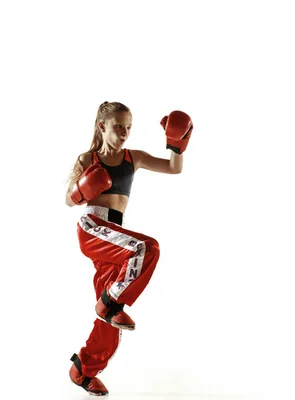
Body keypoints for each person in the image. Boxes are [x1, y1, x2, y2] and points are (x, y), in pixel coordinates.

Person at [64, 101, 193, 396]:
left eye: (129, 127)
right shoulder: (88, 158)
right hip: (93, 228)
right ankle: (111, 302)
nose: (125, 132)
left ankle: (83, 370)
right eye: (119, 126)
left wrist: (176, 143)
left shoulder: (133, 158)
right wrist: (82, 189)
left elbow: (174, 168)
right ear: (102, 127)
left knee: (111, 325)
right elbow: (69, 201)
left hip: (116, 239)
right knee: (147, 248)